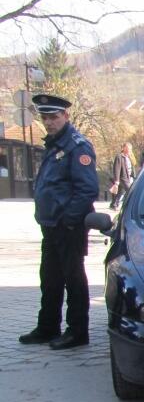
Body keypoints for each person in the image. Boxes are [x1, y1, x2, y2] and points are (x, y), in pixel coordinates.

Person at [18, 94, 98, 350]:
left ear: (66, 116)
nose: (49, 122)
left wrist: (69, 219)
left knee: (73, 278)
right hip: (51, 225)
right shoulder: (55, 146)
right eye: (45, 117)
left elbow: (87, 190)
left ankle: (77, 331)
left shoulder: (77, 147)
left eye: (54, 117)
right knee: (50, 277)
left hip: (68, 226)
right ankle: (48, 327)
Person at [110, 142, 134, 210]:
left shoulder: (129, 157)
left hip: (128, 177)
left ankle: (114, 204)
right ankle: (130, 206)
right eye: (127, 148)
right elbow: (116, 169)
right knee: (130, 191)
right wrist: (116, 181)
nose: (128, 150)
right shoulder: (119, 157)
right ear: (123, 148)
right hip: (122, 178)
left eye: (130, 149)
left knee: (119, 192)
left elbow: (132, 167)